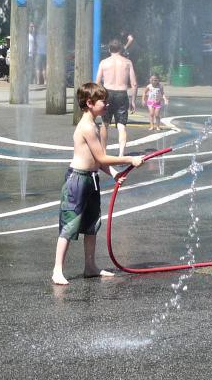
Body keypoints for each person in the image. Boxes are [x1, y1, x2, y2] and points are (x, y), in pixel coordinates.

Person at [51, 82, 143, 285]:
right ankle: (57, 269)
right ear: (90, 103)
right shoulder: (86, 127)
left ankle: (90, 266)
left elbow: (99, 161)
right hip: (77, 180)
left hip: (91, 179)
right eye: (104, 101)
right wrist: (129, 160)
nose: (107, 104)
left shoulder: (96, 125)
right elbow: (102, 155)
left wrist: (114, 174)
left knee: (92, 224)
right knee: (69, 224)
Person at [95, 38, 138, 157]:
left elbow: (97, 82)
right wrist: (133, 100)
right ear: (121, 49)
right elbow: (134, 84)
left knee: (105, 123)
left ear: (109, 49)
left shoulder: (104, 62)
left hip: (107, 92)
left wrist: (100, 97)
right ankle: (121, 154)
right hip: (121, 93)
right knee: (121, 125)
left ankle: (103, 152)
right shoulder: (128, 62)